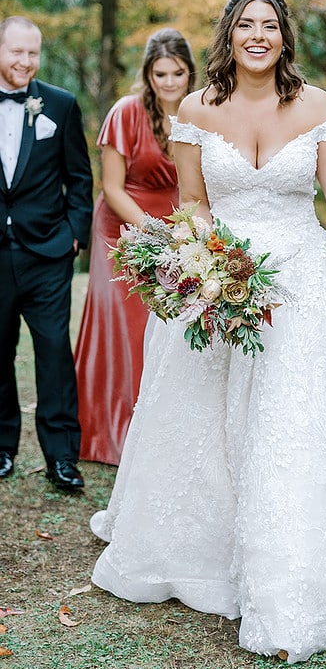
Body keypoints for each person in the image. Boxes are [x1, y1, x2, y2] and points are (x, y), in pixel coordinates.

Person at [90, 0, 326, 663]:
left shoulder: (315, 105)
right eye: (245, 25)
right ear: (227, 36)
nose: (257, 35)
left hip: (303, 285)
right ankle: (211, 550)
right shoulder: (196, 108)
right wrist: (212, 263)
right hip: (224, 281)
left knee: (297, 421)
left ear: (284, 37)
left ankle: (302, 564)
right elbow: (196, 202)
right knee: (210, 423)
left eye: (269, 25)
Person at [74, 29, 196, 464]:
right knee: (127, 330)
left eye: (177, 73)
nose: (168, 82)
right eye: (159, 73)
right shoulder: (125, 113)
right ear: (148, 73)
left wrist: (185, 233)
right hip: (121, 229)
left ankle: (162, 432)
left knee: (170, 330)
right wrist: (152, 232)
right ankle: (113, 434)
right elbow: (111, 187)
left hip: (178, 227)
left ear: (189, 72)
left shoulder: (199, 113)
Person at [0, 16, 93, 491]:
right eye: (16, 52)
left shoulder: (59, 104)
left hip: (48, 254)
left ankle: (61, 457)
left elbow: (79, 177)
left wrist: (75, 235)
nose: (25, 62)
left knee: (55, 352)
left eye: (32, 53)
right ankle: (2, 446)